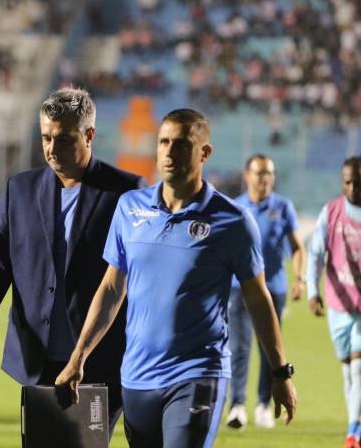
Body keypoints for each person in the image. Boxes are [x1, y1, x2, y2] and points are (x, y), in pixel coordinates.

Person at [56, 109, 297, 448]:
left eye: (182, 144)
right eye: (164, 142)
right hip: (137, 377)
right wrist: (78, 357)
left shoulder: (232, 221)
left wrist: (279, 372)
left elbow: (258, 299)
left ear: (204, 153)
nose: (169, 152)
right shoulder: (130, 207)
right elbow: (111, 289)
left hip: (199, 373)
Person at [0, 87, 144, 434]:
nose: (51, 149)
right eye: (45, 137)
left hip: (103, 360)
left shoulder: (126, 191)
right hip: (37, 358)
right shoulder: (19, 190)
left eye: (63, 139)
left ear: (89, 135)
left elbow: (139, 276)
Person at [225, 154, 306, 430]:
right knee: (239, 348)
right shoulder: (235, 208)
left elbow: (298, 247)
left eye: (269, 173)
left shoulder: (283, 207)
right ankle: (237, 406)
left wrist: (301, 278)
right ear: (247, 175)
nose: (265, 178)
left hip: (274, 290)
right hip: (238, 290)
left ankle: (262, 404)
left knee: (268, 349)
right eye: (260, 173)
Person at [307, 156, 361, 448]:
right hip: (338, 305)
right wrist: (312, 291)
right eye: (348, 182)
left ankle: (354, 432)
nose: (353, 188)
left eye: (358, 183)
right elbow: (315, 253)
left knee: (358, 367)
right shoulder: (332, 212)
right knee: (347, 369)